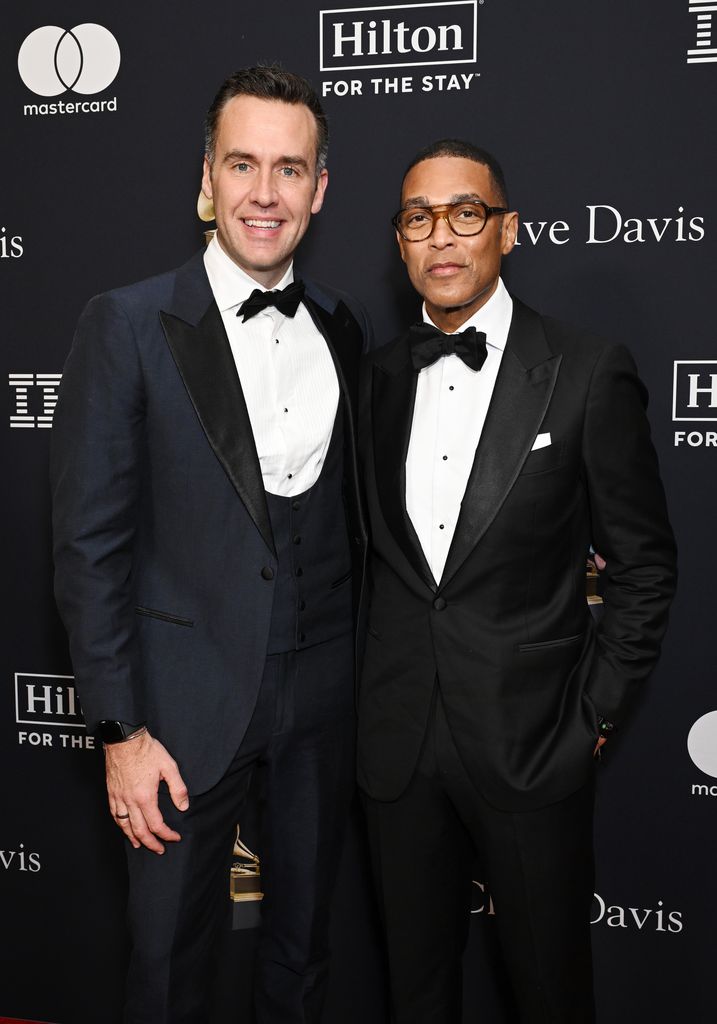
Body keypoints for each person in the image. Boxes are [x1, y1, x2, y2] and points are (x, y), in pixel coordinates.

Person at [50, 65, 371, 1024]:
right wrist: (120, 731)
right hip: (180, 713)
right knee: (168, 963)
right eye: (242, 165)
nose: (263, 193)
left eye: (288, 168)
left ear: (319, 189)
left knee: (304, 950)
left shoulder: (341, 325)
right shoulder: (128, 323)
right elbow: (89, 546)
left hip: (323, 694)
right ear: (207, 177)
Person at [357, 139, 677, 1023]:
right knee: (414, 992)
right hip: (395, 746)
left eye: (467, 213)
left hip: (532, 744)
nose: (442, 237)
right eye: (418, 218)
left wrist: (590, 719)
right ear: (400, 243)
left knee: (547, 990)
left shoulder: (584, 371)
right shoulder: (373, 380)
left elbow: (644, 568)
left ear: (509, 230)